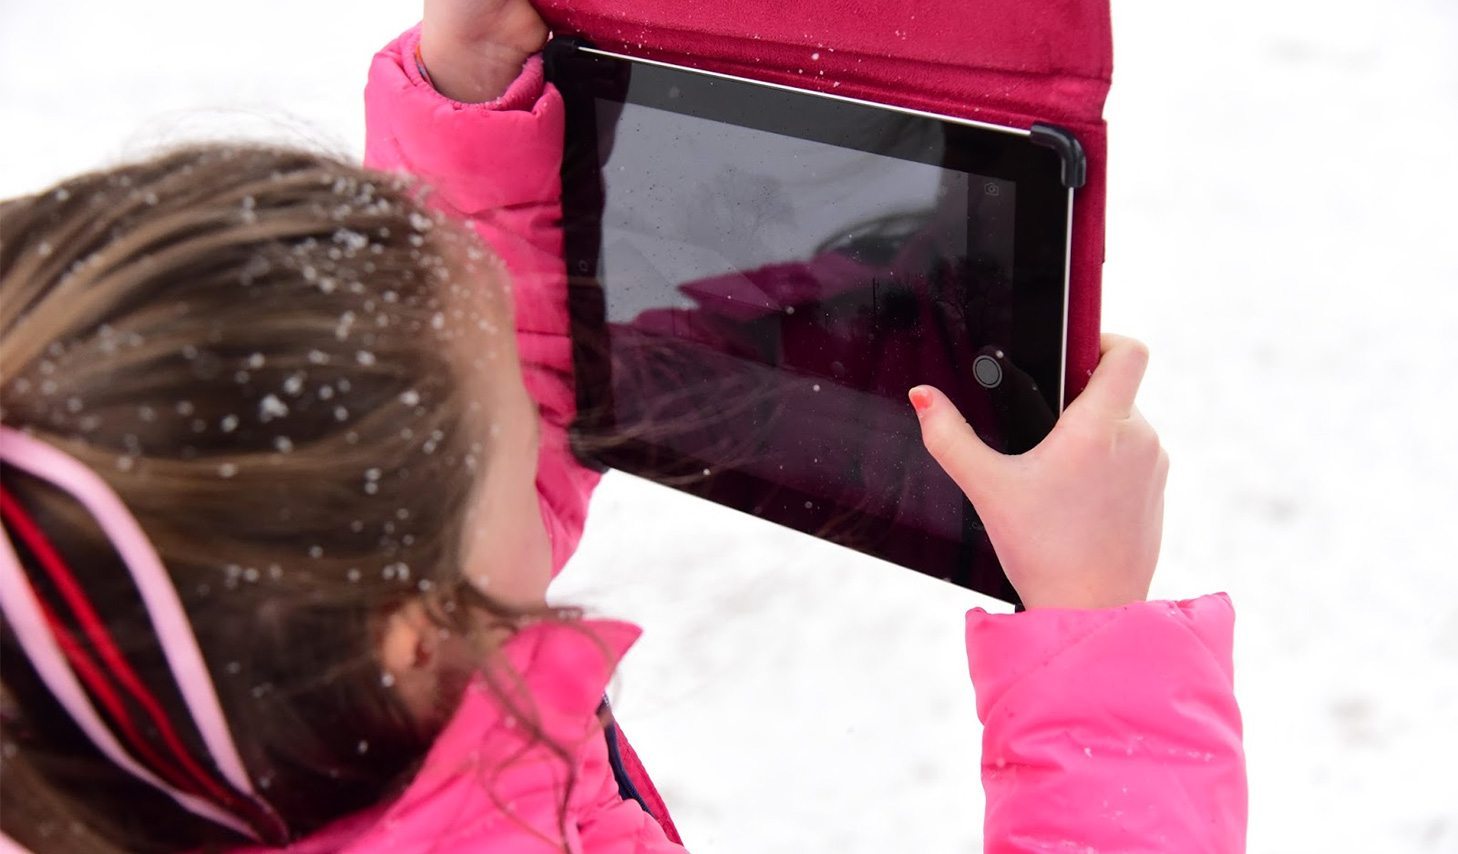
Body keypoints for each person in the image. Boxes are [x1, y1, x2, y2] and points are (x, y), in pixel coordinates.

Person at [0, 0, 1247, 850]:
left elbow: (422, 467)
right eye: (500, 410)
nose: (555, 406)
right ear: (424, 628)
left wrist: (469, 102)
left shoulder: (104, 703)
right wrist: (1094, 631)